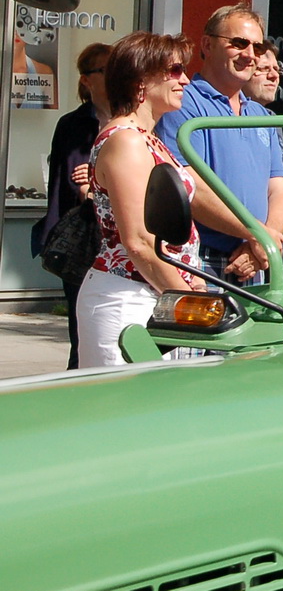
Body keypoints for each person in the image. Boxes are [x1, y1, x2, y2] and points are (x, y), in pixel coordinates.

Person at [77, 32, 204, 367]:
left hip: (158, 295)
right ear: (140, 80)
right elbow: (138, 242)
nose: (185, 80)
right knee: (117, 412)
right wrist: (192, 300)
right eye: (175, 71)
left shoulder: (149, 139)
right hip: (127, 300)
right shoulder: (127, 142)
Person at [157, 3, 283, 285]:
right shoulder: (183, 104)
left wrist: (262, 244)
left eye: (257, 45)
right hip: (205, 261)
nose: (250, 55)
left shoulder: (260, 115)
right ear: (207, 44)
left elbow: (278, 188)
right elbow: (190, 187)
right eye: (239, 43)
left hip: (257, 262)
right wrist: (257, 234)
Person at [38, 41, 111, 367]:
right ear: (87, 80)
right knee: (82, 336)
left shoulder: (133, 118)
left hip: (119, 241)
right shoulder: (73, 124)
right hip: (85, 241)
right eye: (106, 71)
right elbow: (66, 184)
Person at [243, 42, 282, 107]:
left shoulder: (271, 116)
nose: (275, 75)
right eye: (264, 68)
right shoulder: (222, 115)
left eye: (276, 69)